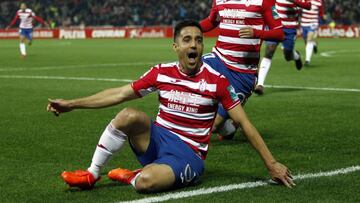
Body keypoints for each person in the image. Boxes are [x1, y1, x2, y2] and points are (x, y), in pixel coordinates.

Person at [47, 20, 294, 192]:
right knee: (128, 115)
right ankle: (92, 173)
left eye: (198, 40)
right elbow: (120, 93)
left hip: (188, 154)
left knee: (146, 183)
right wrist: (72, 104)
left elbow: (244, 123)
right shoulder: (161, 72)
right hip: (157, 140)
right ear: (176, 47)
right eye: (187, 40)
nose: (194, 45)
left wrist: (272, 164)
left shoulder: (217, 82)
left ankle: (132, 175)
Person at [199, 0, 285, 139]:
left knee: (215, 126)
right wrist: (188, 27)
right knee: (188, 76)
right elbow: (211, 22)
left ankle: (230, 126)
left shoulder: (264, 1)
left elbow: (280, 33)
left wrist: (257, 33)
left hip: (242, 73)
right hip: (217, 59)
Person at [255, 0, 311, 95]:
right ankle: (260, 84)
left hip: (290, 28)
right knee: (269, 51)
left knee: (288, 56)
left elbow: (308, 6)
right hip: (275, 25)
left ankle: (296, 56)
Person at [300, 0, 325, 66]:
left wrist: (322, 18)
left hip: (313, 23)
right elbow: (298, 10)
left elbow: (321, 13)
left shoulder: (319, 1)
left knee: (309, 40)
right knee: (306, 42)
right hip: (304, 23)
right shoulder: (302, 0)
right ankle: (314, 44)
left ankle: (307, 60)